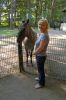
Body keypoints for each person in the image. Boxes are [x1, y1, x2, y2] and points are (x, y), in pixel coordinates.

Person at [33, 18, 49, 89]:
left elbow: (41, 48)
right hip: (39, 55)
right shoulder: (42, 33)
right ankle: (40, 78)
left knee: (41, 70)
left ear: (46, 26)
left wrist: (34, 53)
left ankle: (41, 83)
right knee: (40, 69)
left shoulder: (44, 35)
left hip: (41, 56)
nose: (40, 26)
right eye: (39, 24)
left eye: (43, 25)